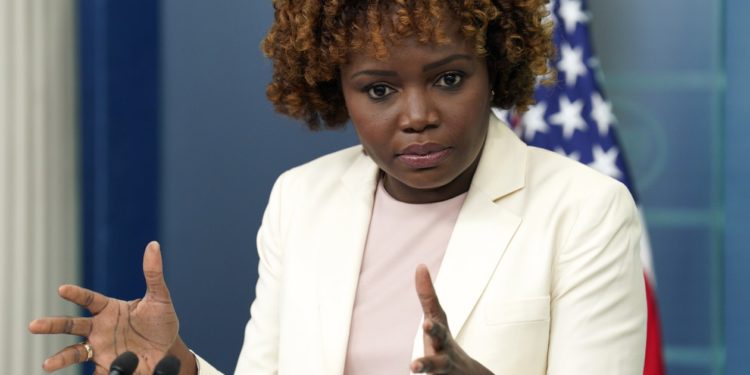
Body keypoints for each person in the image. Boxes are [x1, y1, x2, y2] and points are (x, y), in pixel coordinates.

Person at [29, 0, 647, 374]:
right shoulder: (302, 200)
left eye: (450, 78)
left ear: (496, 68)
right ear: (336, 87)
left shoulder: (584, 211)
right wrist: (179, 364)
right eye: (379, 89)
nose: (416, 115)